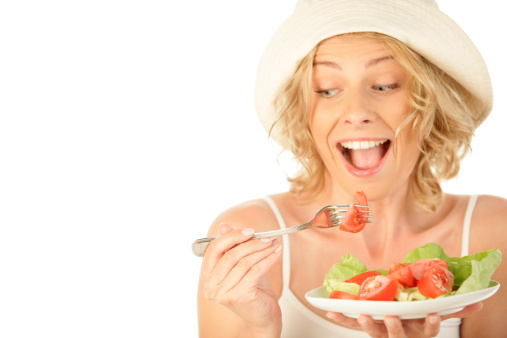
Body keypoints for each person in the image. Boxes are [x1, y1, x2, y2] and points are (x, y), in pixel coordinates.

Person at [197, 0, 507, 337]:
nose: (356, 111)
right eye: (328, 90)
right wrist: (261, 327)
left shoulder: (491, 229)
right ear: (305, 114)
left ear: (432, 102)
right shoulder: (251, 239)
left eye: (385, 85)